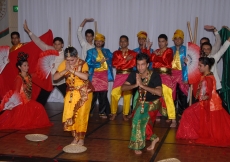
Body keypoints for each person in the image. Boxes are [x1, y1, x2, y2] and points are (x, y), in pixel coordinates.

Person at [176, 57, 230, 147]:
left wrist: (205, 96)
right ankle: (194, 134)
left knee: (188, 113)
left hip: (210, 105)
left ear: (206, 66)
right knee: (189, 113)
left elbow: (208, 91)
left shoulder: (208, 78)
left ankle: (192, 134)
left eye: (200, 65)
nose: (198, 67)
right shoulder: (206, 75)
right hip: (205, 103)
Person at [121, 53, 164, 154]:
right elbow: (123, 88)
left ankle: (137, 146)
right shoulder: (135, 74)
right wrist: (136, 84)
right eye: (138, 64)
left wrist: (142, 86)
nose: (140, 67)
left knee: (138, 120)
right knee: (142, 124)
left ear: (148, 64)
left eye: (143, 64)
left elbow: (159, 92)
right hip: (141, 102)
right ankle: (154, 138)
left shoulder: (154, 75)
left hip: (153, 103)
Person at [0, 52, 52, 130]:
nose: (27, 67)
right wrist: (11, 104)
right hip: (21, 103)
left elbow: (40, 75)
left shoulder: (29, 76)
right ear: (19, 67)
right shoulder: (18, 79)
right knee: (37, 108)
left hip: (28, 101)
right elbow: (16, 93)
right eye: (24, 65)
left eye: (27, 65)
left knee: (39, 107)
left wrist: (48, 68)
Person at [53, 47, 93, 145]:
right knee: (70, 115)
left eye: (72, 60)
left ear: (77, 56)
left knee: (82, 115)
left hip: (84, 93)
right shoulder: (64, 64)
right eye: (68, 60)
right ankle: (75, 137)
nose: (70, 62)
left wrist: (71, 70)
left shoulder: (83, 63)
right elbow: (55, 77)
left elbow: (85, 77)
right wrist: (65, 70)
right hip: (71, 93)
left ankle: (81, 138)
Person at [23, 20, 66, 105]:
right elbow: (38, 42)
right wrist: (28, 31)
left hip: (61, 80)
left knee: (69, 97)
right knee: (41, 99)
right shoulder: (50, 49)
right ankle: (37, 113)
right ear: (53, 45)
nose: (57, 46)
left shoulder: (66, 53)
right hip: (50, 80)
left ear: (62, 45)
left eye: (59, 44)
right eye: (55, 44)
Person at [149, 34, 176, 127]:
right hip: (156, 76)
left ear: (167, 42)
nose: (161, 43)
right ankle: (157, 115)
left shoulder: (169, 50)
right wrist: (151, 51)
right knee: (156, 96)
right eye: (159, 41)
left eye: (163, 41)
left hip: (165, 76)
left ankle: (173, 118)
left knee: (168, 96)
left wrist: (156, 57)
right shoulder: (156, 51)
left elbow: (166, 61)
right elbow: (151, 59)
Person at [86, 32, 114, 118]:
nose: (98, 42)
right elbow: (88, 63)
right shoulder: (90, 52)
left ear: (103, 42)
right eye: (97, 41)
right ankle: (89, 111)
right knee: (93, 95)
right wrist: (99, 63)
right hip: (94, 75)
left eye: (100, 41)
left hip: (104, 75)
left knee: (103, 94)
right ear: (94, 42)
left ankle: (102, 112)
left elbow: (113, 58)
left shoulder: (107, 51)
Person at [110, 35, 136, 121]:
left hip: (129, 75)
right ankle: (113, 113)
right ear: (119, 43)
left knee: (127, 95)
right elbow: (114, 63)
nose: (123, 42)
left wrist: (122, 63)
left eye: (124, 41)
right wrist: (126, 60)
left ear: (128, 42)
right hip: (119, 76)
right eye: (121, 41)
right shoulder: (116, 53)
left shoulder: (133, 53)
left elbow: (133, 64)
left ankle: (125, 114)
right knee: (114, 94)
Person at [171, 29, 189, 115]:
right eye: (176, 38)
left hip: (182, 74)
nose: (177, 40)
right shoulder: (170, 50)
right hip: (172, 75)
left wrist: (186, 77)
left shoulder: (187, 49)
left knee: (182, 94)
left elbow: (190, 64)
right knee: (172, 94)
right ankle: (172, 112)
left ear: (182, 40)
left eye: (179, 38)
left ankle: (182, 113)